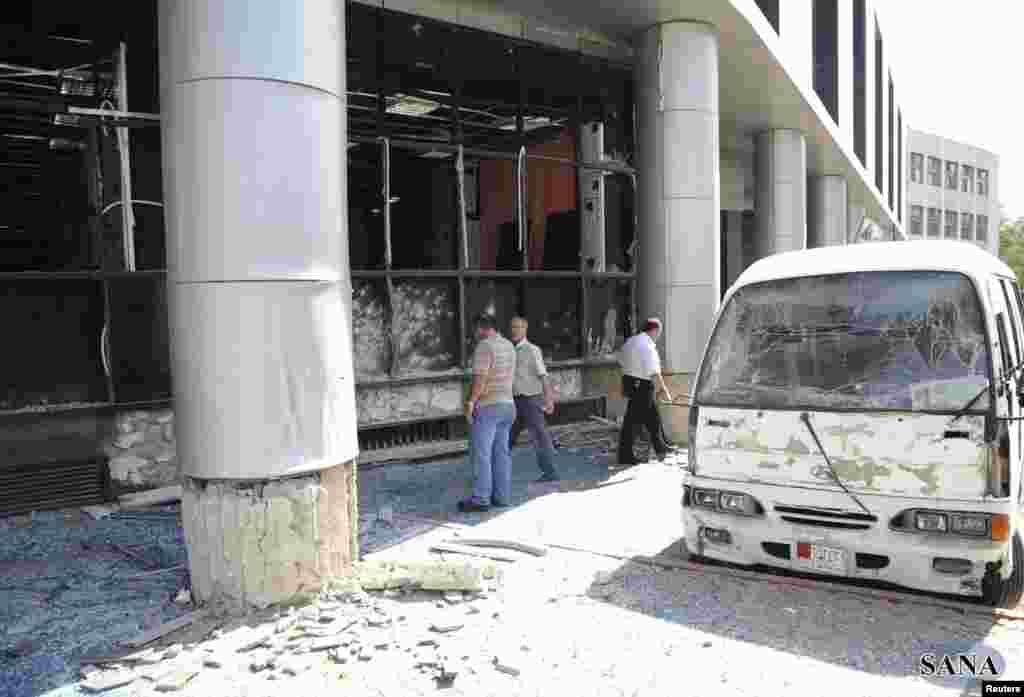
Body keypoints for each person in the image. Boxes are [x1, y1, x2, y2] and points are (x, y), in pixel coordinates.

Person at [459, 313, 517, 513]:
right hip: (508, 405)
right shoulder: (509, 345)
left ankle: (480, 498)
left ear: (481, 328)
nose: (474, 334)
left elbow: (480, 378)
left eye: (475, 330)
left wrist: (471, 401)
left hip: (489, 406)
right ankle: (502, 497)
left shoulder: (484, 346)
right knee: (501, 454)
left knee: (481, 454)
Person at [617, 317, 676, 465]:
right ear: (654, 330)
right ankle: (625, 455)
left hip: (629, 381)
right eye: (659, 332)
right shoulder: (647, 345)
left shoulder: (631, 341)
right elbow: (654, 372)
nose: (659, 335)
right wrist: (664, 389)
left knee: (652, 417)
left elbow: (620, 359)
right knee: (633, 422)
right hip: (642, 384)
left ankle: (661, 448)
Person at [507, 317, 559, 482]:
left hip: (531, 400)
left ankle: (550, 473)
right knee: (506, 437)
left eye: (518, 327)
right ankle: (495, 471)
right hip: (513, 401)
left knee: (539, 436)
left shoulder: (532, 350)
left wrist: (549, 400)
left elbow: (543, 376)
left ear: (525, 330)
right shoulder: (509, 350)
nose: (515, 330)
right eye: (513, 327)